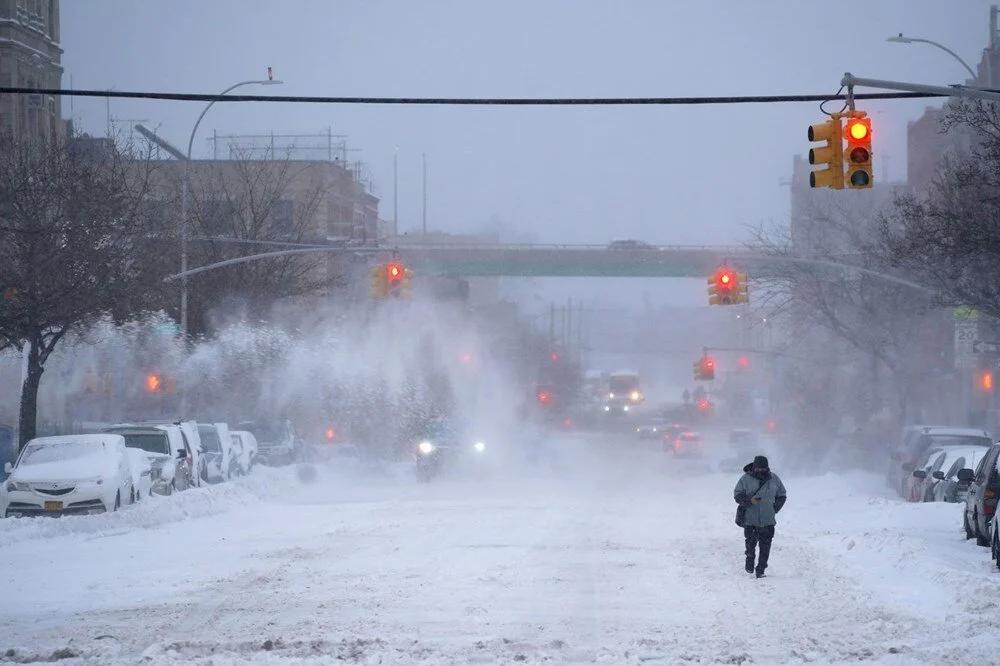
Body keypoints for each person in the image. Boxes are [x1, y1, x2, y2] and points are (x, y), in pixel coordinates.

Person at [733, 455, 787, 578]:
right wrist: (749, 501)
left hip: (768, 521)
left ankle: (761, 570)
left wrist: (774, 509)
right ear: (754, 467)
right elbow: (737, 495)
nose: (761, 471)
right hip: (750, 520)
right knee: (750, 545)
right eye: (758, 469)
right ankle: (750, 561)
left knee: (765, 547)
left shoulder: (774, 479)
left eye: (764, 468)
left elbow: (782, 495)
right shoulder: (745, 479)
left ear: (767, 467)